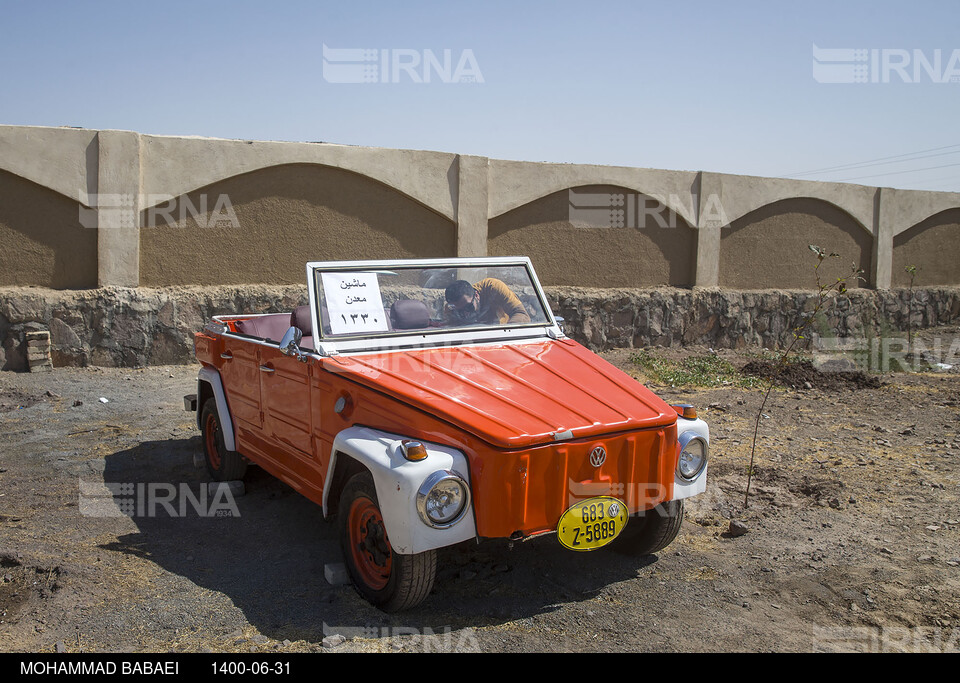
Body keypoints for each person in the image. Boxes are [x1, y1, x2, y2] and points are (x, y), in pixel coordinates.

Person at [444, 278, 531, 325]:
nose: (466, 313)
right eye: (460, 311)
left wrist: (505, 334)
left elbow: (521, 314)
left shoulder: (493, 288)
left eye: (468, 307)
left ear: (476, 295)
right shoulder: (451, 309)